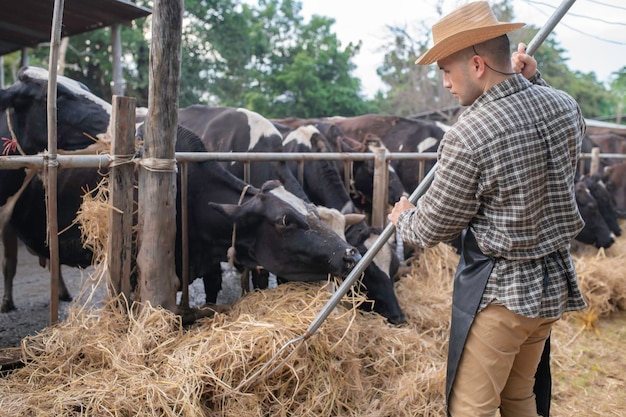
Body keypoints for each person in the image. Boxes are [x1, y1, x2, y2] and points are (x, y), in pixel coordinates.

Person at [387, 2, 587, 417]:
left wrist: (403, 214)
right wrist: (535, 79)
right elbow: (557, 110)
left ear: (477, 64)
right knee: (518, 397)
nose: (444, 83)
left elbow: (430, 229)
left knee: (469, 409)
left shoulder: (470, 133)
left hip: (503, 295)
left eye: (446, 70)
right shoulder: (564, 106)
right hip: (550, 288)